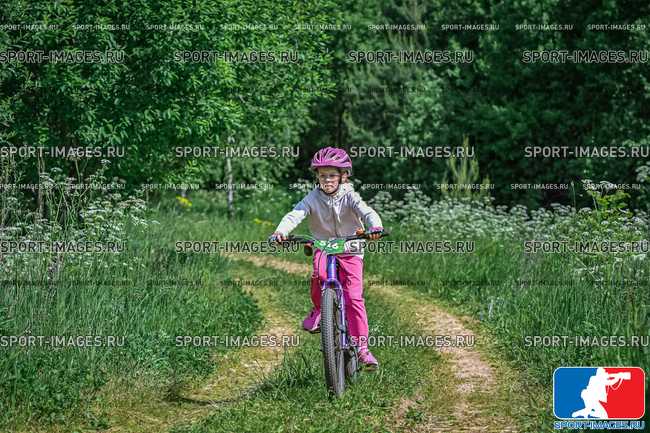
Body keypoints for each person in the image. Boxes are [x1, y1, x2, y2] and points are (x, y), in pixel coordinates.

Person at [269, 147, 384, 370]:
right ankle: (319, 310)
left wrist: (375, 227)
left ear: (343, 176)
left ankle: (362, 349)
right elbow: (295, 214)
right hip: (324, 246)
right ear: (317, 177)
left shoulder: (350, 196)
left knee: (354, 297)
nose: (327, 180)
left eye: (332, 175)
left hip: (351, 248)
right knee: (319, 274)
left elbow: (367, 212)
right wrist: (280, 231)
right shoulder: (313, 197)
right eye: (322, 175)